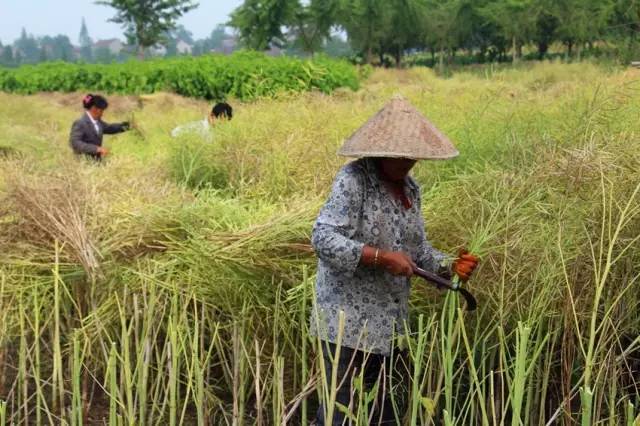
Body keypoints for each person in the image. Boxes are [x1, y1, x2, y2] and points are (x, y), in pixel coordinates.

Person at [311, 95, 480, 425]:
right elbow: (323, 238)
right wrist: (380, 257)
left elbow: (416, 252)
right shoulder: (354, 180)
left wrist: (449, 266)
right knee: (338, 415)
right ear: (380, 150)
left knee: (385, 415)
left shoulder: (410, 189)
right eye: (399, 154)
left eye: (412, 155)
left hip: (388, 325)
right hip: (346, 323)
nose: (407, 161)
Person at [69, 94, 130, 160]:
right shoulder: (80, 123)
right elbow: (75, 143)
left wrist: (128, 126)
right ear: (94, 109)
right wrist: (96, 149)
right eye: (101, 111)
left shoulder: (98, 122)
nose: (102, 114)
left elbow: (110, 128)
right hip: (83, 163)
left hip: (96, 162)